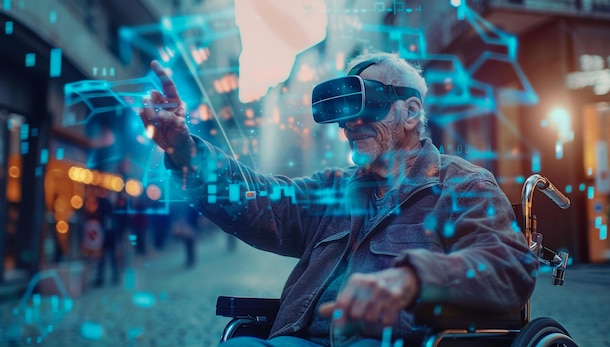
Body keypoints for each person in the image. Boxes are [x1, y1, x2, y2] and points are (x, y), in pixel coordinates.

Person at [139, 51, 538, 346]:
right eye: (346, 114)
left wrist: (414, 279)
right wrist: (183, 148)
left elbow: (508, 267)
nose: (349, 125)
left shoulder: (463, 186)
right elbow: (259, 201)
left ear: (412, 112)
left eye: (368, 108)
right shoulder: (333, 188)